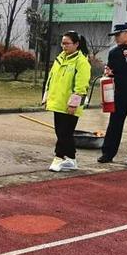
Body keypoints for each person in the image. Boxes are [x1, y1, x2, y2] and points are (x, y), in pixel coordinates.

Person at [43, 31, 91, 172]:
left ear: (76, 44)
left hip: (70, 105)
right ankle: (71, 159)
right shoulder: (60, 58)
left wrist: (73, 103)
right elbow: (51, 79)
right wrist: (46, 96)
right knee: (62, 132)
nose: (64, 46)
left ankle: (59, 157)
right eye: (62, 43)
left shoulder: (81, 62)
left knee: (64, 132)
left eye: (67, 43)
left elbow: (81, 86)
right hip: (58, 102)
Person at [98, 23, 127, 165]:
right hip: (120, 93)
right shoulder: (114, 53)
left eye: (118, 35)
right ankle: (108, 153)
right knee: (114, 123)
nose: (116, 39)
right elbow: (110, 72)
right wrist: (109, 73)